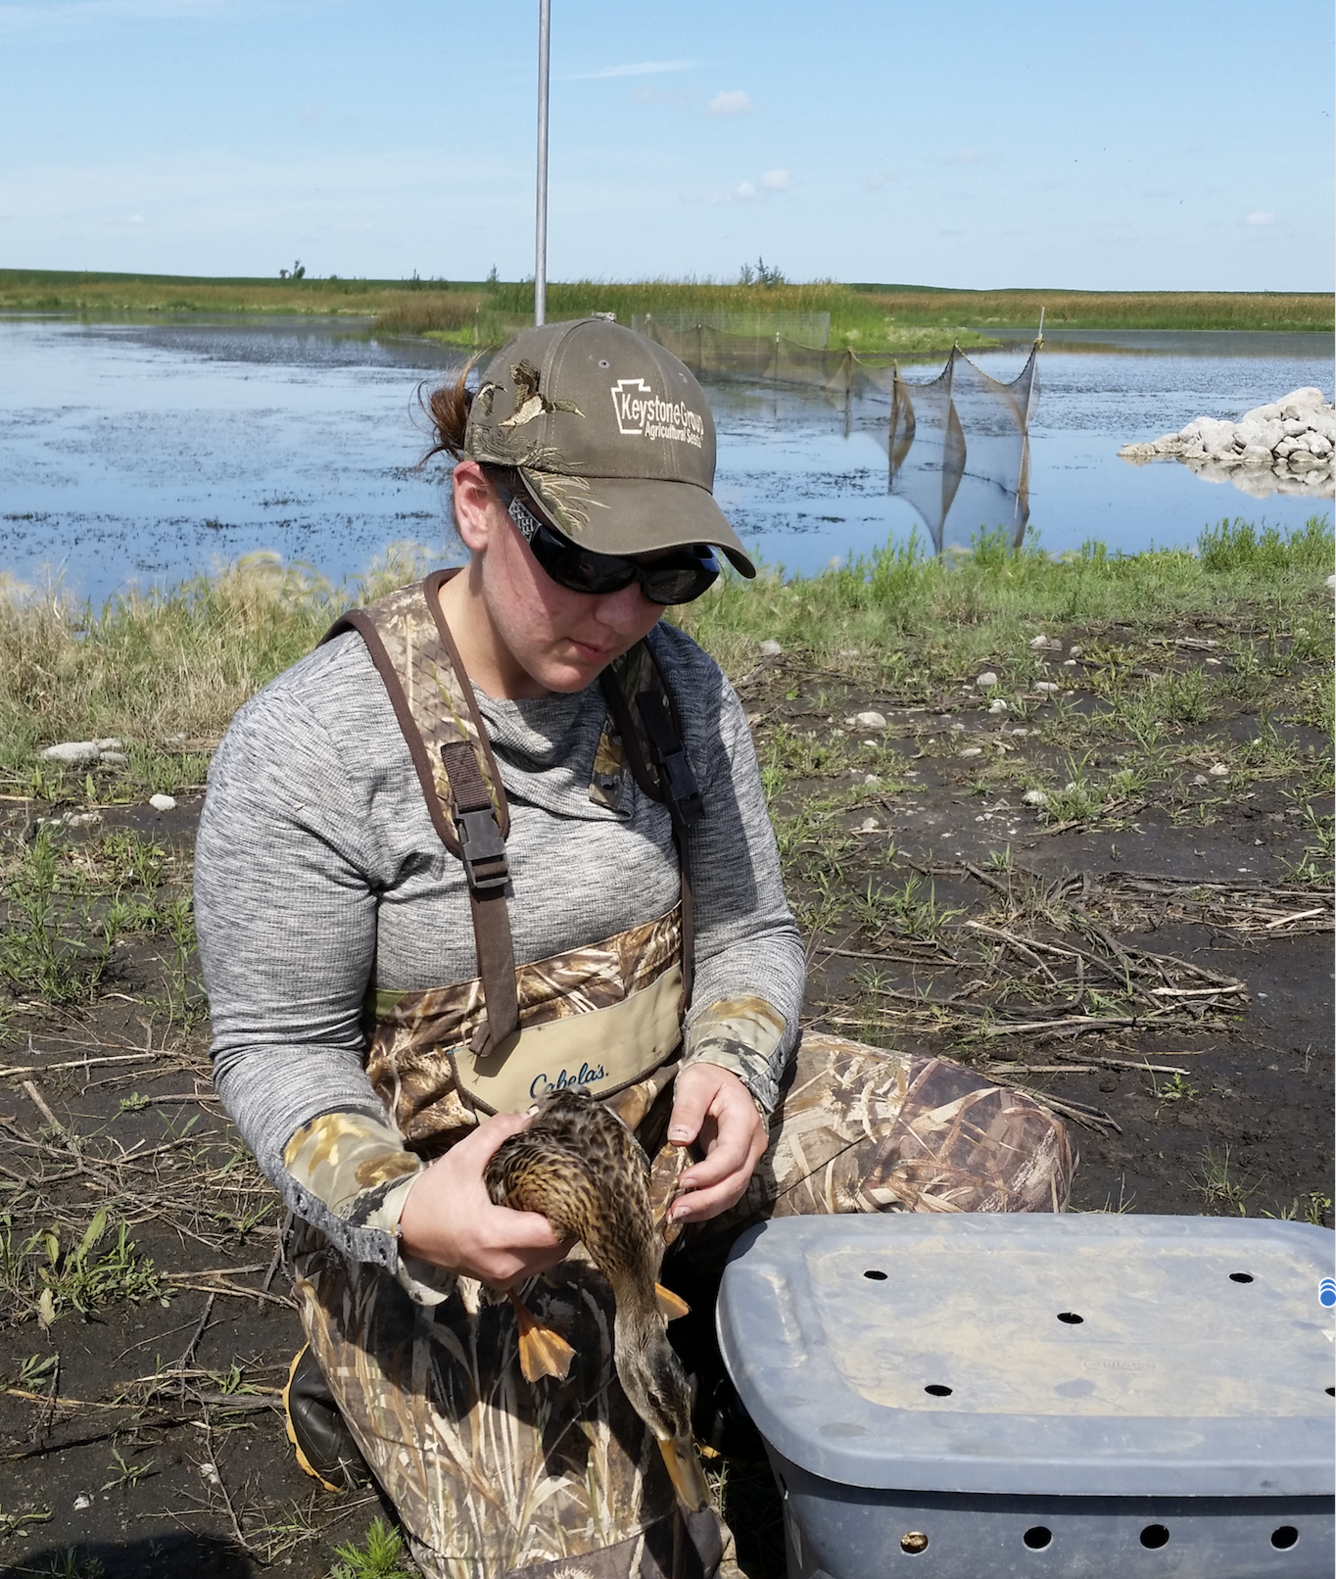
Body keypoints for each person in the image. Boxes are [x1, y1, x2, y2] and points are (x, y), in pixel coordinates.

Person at [194, 318, 1075, 1579]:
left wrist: (733, 1062)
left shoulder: (681, 691)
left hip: (664, 1145)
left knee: (1003, 1161)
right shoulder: (311, 749)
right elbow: (276, 1050)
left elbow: (754, 930)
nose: (620, 612)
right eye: (581, 558)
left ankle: (727, 1349)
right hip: (475, 1218)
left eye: (668, 570)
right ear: (475, 504)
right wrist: (402, 1210)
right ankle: (359, 1378)